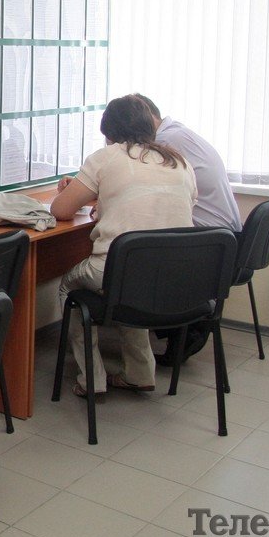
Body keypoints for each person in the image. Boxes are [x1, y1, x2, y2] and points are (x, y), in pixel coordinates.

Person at [49, 95, 197, 397]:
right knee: (133, 284)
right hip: (172, 277)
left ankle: (92, 379)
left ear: (109, 132)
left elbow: (60, 211)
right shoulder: (179, 161)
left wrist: (88, 196)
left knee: (71, 287)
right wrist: (106, 202)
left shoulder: (107, 157)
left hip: (118, 274)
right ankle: (140, 373)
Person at [136, 94, 241, 362]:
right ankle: (180, 326)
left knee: (139, 255)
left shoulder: (165, 143)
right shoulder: (177, 133)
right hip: (225, 238)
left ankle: (181, 327)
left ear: (146, 118)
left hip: (209, 241)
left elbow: (135, 185)